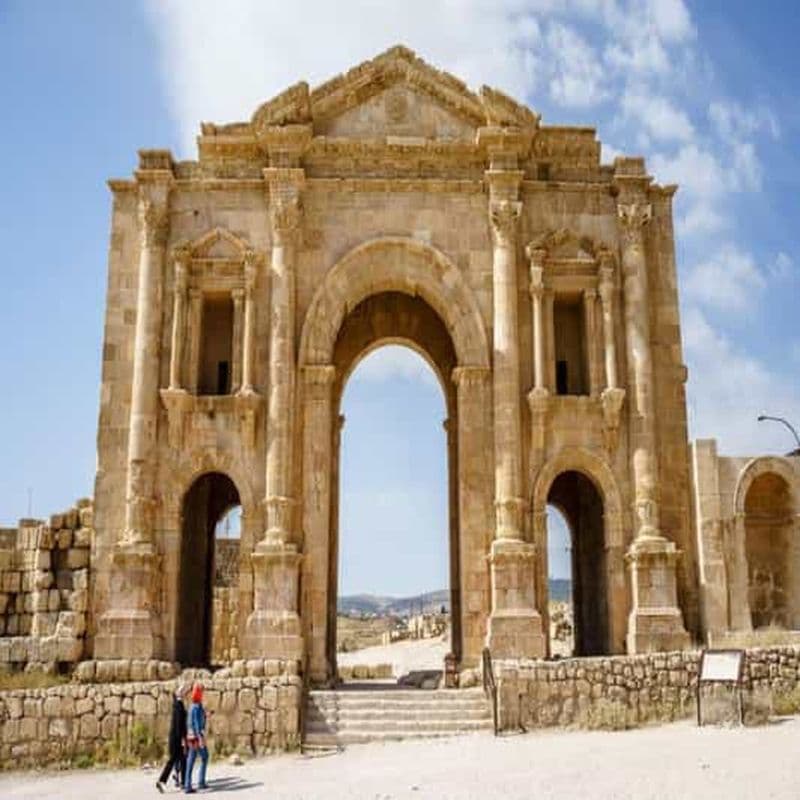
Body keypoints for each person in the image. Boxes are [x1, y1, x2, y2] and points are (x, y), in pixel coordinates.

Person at [156, 684, 187, 794]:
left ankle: (183, 782)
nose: (184, 692)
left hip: (176, 738)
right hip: (176, 739)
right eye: (181, 691)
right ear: (177, 693)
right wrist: (182, 739)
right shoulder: (178, 705)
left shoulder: (178, 704)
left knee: (182, 760)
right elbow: (179, 725)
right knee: (173, 760)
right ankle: (161, 781)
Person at [184, 682, 209, 794]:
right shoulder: (197, 707)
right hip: (196, 737)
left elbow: (190, 722)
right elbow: (196, 723)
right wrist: (200, 738)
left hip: (190, 736)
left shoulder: (192, 706)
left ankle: (187, 784)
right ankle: (201, 782)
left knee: (191, 760)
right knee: (205, 757)